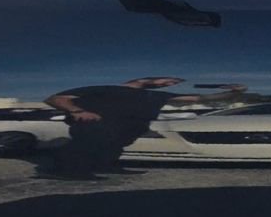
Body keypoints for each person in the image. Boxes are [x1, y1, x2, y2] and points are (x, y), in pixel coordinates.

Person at [38, 76, 182, 177]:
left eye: (172, 83)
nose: (167, 84)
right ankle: (61, 171)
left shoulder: (148, 95)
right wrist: (77, 111)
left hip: (124, 128)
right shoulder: (105, 88)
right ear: (144, 79)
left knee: (114, 145)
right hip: (95, 123)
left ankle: (105, 166)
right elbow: (55, 99)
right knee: (87, 143)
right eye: (168, 81)